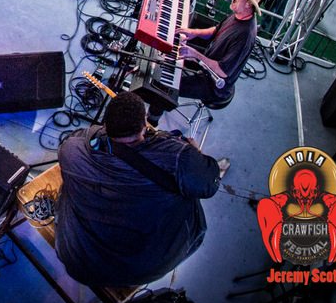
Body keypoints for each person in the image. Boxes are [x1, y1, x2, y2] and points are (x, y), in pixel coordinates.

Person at [56, 92, 222, 288]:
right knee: (186, 194)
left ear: (106, 124)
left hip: (76, 257)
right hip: (138, 270)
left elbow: (82, 136)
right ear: (144, 126)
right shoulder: (178, 158)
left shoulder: (71, 149)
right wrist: (196, 153)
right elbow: (209, 184)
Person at [174, 0, 264, 107]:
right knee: (171, 52)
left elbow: (222, 71)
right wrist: (194, 32)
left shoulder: (245, 35)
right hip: (208, 62)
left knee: (167, 86)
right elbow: (216, 30)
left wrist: (195, 54)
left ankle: (153, 120)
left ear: (249, 3)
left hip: (214, 85)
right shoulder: (239, 14)